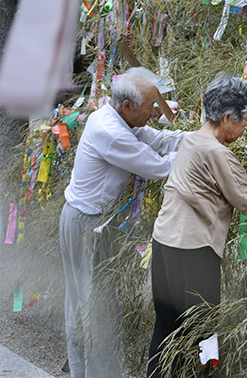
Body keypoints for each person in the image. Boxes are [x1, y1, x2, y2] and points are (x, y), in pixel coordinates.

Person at [147, 73, 247, 378]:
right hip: (193, 252)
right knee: (203, 334)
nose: (245, 126)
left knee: (166, 330)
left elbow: (237, 186)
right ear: (226, 118)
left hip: (165, 243)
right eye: (244, 119)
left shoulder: (194, 140)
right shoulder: (217, 152)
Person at [59, 67, 187, 378]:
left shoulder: (118, 117)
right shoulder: (110, 131)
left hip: (89, 220)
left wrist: (198, 141)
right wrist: (206, 157)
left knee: (84, 302)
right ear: (128, 106)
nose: (154, 113)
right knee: (94, 309)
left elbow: (156, 138)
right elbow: (156, 166)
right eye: (149, 107)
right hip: (86, 223)